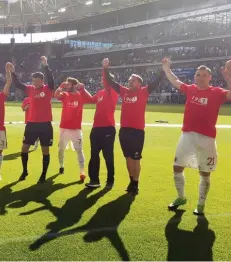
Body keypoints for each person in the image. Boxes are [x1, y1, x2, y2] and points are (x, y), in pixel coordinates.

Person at [164, 59, 231, 215]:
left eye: (204, 75)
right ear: (194, 77)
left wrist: (228, 78)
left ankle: (201, 204)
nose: (201, 77)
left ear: (209, 78)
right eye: (198, 75)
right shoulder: (190, 89)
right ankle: (181, 197)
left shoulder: (217, 92)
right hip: (187, 135)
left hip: (206, 139)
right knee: (177, 167)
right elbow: (175, 81)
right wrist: (166, 68)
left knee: (204, 173)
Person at [101, 58, 164, 195]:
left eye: (133, 80)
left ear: (140, 83)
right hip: (124, 131)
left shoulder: (144, 92)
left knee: (136, 158)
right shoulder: (124, 92)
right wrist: (105, 68)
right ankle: (131, 181)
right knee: (128, 158)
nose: (130, 81)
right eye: (129, 80)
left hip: (137, 132)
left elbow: (157, 81)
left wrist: (164, 68)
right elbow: (111, 83)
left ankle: (136, 182)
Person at [10, 56, 55, 183]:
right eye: (33, 81)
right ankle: (24, 171)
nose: (34, 83)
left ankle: (43, 174)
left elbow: (51, 80)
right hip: (31, 125)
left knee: (45, 150)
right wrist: (13, 72)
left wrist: (46, 65)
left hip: (45, 125)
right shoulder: (30, 89)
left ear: (41, 80)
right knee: (24, 148)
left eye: (36, 81)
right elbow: (18, 84)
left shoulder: (48, 88)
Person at [81, 60, 119, 189]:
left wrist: (105, 68)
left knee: (108, 155)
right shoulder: (101, 93)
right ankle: (94, 180)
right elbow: (90, 100)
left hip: (108, 128)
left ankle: (110, 180)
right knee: (94, 155)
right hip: (96, 128)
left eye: (105, 80)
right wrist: (82, 89)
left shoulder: (112, 91)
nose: (103, 82)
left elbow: (107, 81)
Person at [53, 77, 86, 182]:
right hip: (64, 128)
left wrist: (83, 88)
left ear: (74, 85)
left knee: (79, 150)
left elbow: (90, 98)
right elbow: (56, 95)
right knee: (61, 149)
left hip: (76, 129)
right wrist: (60, 87)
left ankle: (82, 172)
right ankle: (61, 166)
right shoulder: (65, 95)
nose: (66, 85)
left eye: (68, 84)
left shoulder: (81, 95)